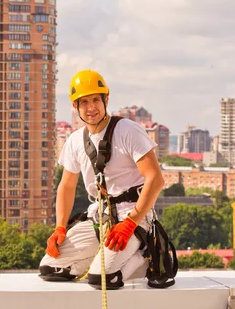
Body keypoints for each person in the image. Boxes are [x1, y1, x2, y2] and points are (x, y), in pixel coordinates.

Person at [39, 69, 165, 289]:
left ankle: (145, 257)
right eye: (84, 102)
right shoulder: (76, 140)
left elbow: (155, 179)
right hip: (100, 218)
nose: (91, 108)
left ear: (106, 99)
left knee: (101, 279)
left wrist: (131, 222)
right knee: (51, 267)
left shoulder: (127, 131)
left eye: (96, 100)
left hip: (132, 217)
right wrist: (60, 227)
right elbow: (66, 186)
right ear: (75, 106)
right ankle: (102, 258)